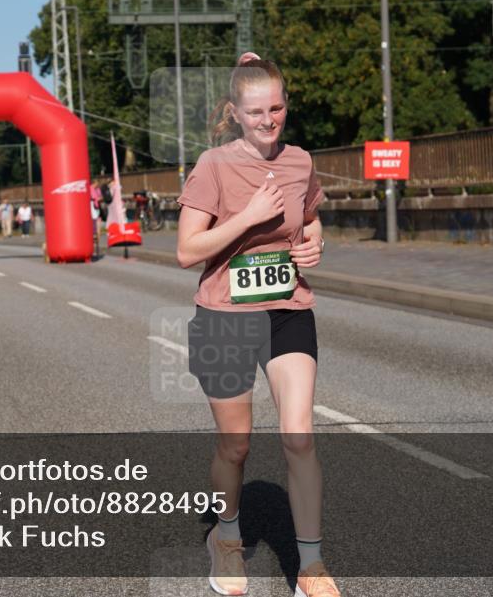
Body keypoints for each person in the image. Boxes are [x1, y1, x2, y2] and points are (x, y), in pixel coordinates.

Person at [176, 53, 336, 597]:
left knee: (300, 437)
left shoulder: (299, 161)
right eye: (256, 111)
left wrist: (315, 239)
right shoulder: (214, 166)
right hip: (223, 316)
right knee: (236, 446)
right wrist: (245, 218)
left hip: (287, 309)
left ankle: (311, 568)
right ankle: (225, 538)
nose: (269, 120)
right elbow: (185, 250)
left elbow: (309, 218)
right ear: (234, 113)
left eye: (277, 108)